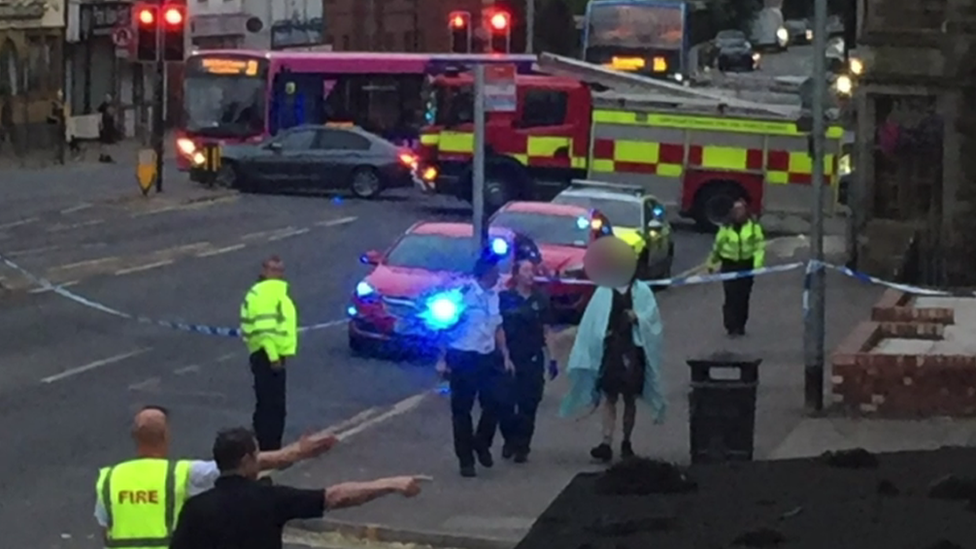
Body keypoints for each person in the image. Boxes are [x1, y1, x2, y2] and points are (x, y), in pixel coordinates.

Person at [95, 406, 337, 548]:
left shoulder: (110, 479)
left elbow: (106, 534)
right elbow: (242, 461)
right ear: (166, 436)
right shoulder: (182, 473)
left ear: (134, 437)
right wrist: (296, 452)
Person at [169, 427, 427, 549]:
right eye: (257, 455)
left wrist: (298, 453)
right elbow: (336, 497)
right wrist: (388, 484)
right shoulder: (270, 499)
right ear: (246, 460)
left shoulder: (195, 508)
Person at [560, 236, 666, 462]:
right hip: (611, 350)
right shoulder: (604, 291)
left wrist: (637, 317)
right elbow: (592, 323)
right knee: (609, 397)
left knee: (630, 399)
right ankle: (606, 442)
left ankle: (626, 442)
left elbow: (653, 319)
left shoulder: (643, 291)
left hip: (633, 349)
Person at [436, 252, 515, 478]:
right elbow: (443, 327)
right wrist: (442, 359)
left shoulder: (494, 295)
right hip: (463, 356)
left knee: (495, 403)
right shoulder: (462, 295)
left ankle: (481, 442)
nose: (499, 276)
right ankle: (466, 460)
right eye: (495, 272)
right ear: (485, 274)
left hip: (487, 356)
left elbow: (498, 327)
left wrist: (506, 355)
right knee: (462, 411)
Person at [498, 258, 558, 463]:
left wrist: (553, 358)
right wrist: (503, 355)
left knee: (529, 403)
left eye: (532, 271)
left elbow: (547, 330)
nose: (530, 274)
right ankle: (509, 439)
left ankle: (522, 446)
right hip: (508, 357)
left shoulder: (540, 299)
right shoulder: (505, 298)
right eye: (525, 270)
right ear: (516, 275)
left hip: (532, 357)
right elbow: (497, 329)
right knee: (505, 403)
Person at [240, 255, 298, 451]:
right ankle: (271, 450)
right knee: (274, 408)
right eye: (273, 270)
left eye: (280, 271)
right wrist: (274, 358)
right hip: (268, 355)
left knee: (265, 403)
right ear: (264, 271)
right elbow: (265, 330)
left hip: (263, 353)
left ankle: (262, 444)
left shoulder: (266, 291)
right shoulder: (267, 293)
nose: (277, 275)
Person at [706, 199, 766, 337]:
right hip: (729, 265)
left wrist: (757, 265)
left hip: (746, 265)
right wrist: (711, 263)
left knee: (743, 297)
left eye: (742, 210)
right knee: (730, 296)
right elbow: (717, 247)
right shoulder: (725, 228)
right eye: (736, 210)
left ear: (746, 212)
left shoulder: (753, 228)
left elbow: (759, 247)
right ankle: (730, 326)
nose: (739, 213)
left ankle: (740, 325)